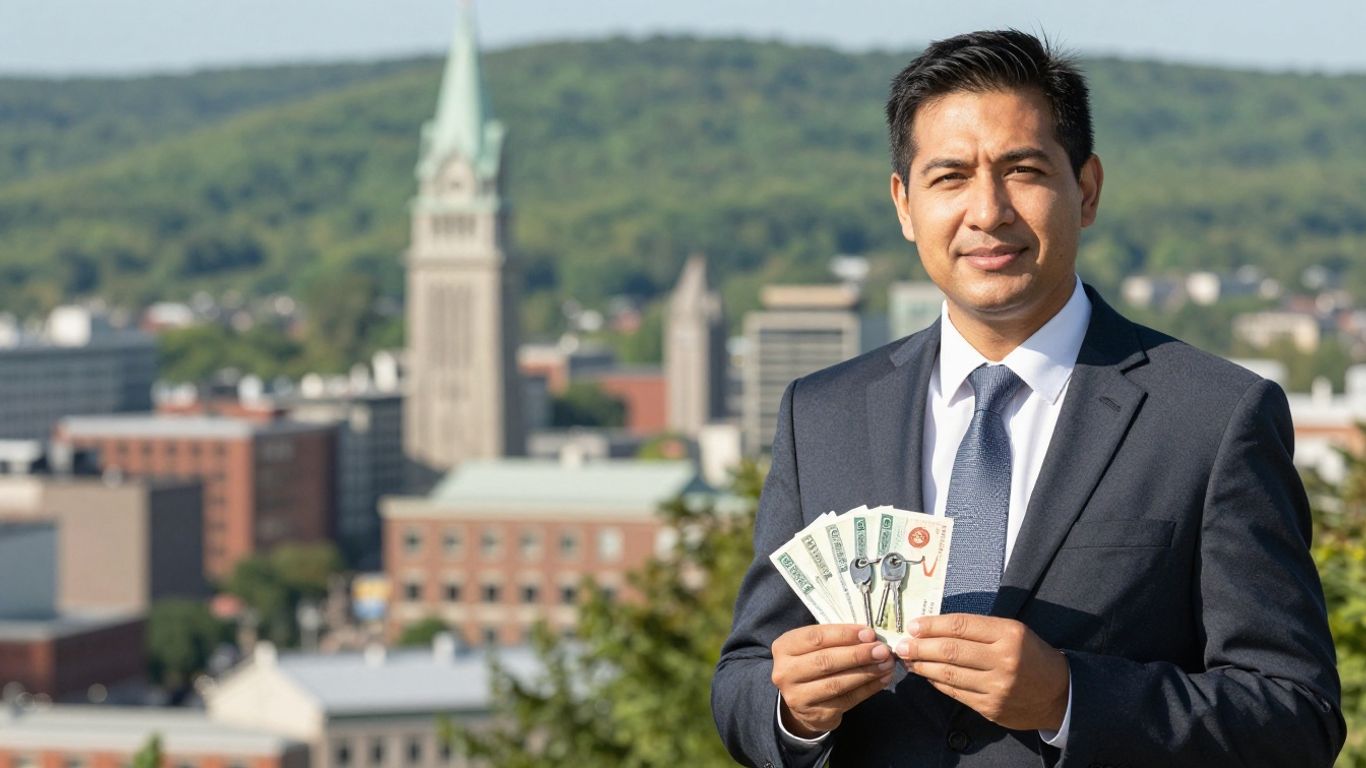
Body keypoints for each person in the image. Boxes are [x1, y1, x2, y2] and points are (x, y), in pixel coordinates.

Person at [711, 29, 1344, 767]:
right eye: (950, 177)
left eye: (1023, 170)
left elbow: (1296, 718)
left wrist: (1070, 697)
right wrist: (793, 710)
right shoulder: (819, 415)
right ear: (904, 204)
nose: (989, 211)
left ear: (1087, 189)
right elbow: (742, 683)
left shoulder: (1214, 417)